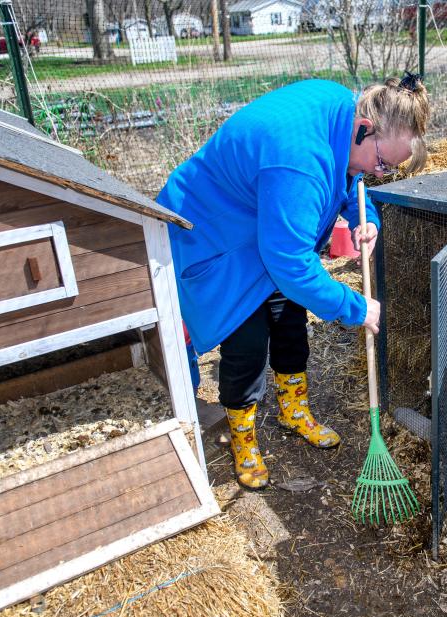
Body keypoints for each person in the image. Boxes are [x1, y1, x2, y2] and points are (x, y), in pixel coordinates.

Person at [157, 74, 430, 489]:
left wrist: (365, 218)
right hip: (217, 238)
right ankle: (244, 440)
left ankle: (293, 411)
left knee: (289, 330)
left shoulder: (345, 111)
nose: (378, 174)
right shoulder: (299, 161)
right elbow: (289, 261)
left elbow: (350, 177)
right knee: (245, 345)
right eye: (382, 164)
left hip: (268, 226)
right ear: (364, 129)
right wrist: (354, 307)